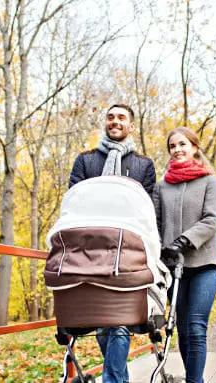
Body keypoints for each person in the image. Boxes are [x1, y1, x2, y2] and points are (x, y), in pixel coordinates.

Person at [68, 103, 156, 383]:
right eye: (110, 117)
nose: (115, 122)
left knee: (118, 320)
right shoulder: (85, 161)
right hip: (90, 251)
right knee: (102, 321)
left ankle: (113, 380)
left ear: (131, 126)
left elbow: (150, 210)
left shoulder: (144, 165)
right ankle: (119, 379)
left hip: (127, 251)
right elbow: (74, 202)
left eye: (121, 118)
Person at [152, 127, 216, 383]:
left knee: (195, 327)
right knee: (181, 328)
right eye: (172, 146)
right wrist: (161, 249)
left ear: (194, 147)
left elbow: (211, 220)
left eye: (182, 144)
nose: (177, 149)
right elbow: (156, 224)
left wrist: (182, 242)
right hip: (174, 269)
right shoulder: (161, 187)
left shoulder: (210, 181)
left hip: (204, 264)